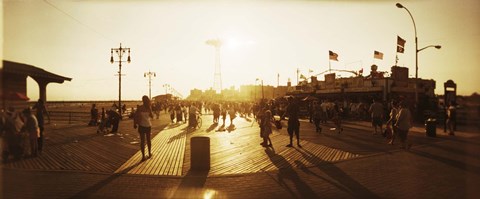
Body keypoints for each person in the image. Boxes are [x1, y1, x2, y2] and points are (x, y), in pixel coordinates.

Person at [134, 95, 154, 161]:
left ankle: (143, 157)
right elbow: (152, 116)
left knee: (142, 141)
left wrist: (135, 124)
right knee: (148, 140)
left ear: (142, 100)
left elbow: (135, 116)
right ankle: (149, 153)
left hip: (141, 126)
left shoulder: (139, 108)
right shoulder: (149, 107)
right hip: (148, 125)